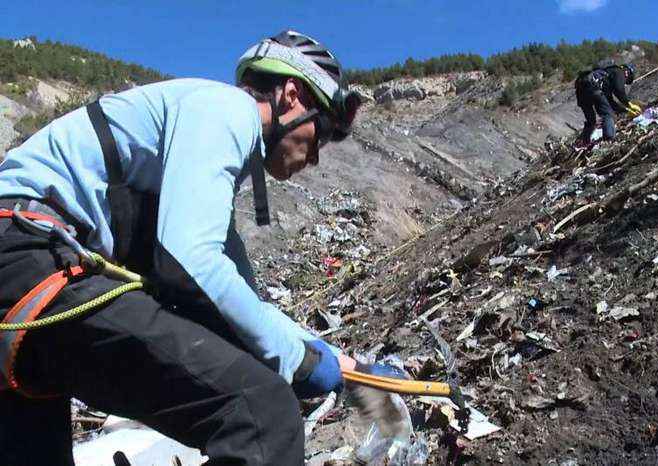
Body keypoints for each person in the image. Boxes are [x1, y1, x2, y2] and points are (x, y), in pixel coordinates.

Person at [0, 30, 391, 466]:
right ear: (291, 95)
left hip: (26, 270)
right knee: (261, 413)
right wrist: (296, 362)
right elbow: (190, 262)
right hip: (28, 257)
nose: (316, 156)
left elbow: (243, 300)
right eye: (323, 133)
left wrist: (341, 363)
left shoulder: (195, 155)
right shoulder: (224, 109)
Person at [574, 63, 641, 146]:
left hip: (581, 92)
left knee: (591, 121)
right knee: (607, 114)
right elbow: (619, 89)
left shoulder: (605, 77)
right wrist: (628, 103)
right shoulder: (619, 72)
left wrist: (626, 110)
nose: (624, 82)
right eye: (626, 81)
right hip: (594, 89)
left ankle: (582, 142)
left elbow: (610, 102)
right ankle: (608, 140)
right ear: (628, 73)